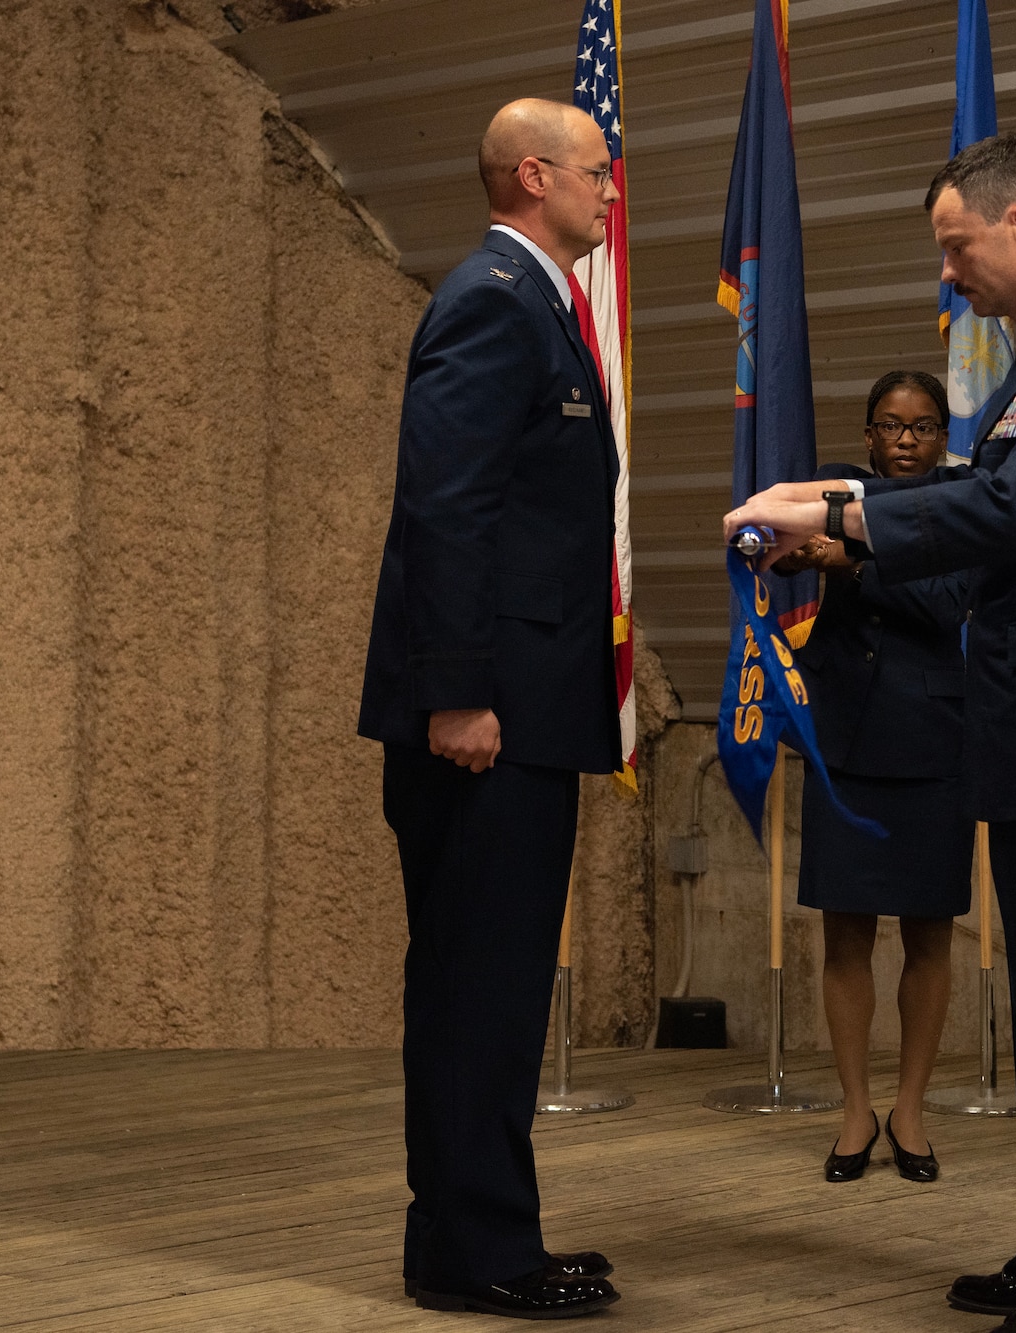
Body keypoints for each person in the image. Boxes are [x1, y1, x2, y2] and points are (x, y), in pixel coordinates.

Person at [724, 132, 1016, 1333]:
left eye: (955, 246)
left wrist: (837, 506)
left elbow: (1013, 503)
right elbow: (992, 507)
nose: (947, 276)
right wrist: (836, 527)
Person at [357, 97, 625, 1321]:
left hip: (525, 709)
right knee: (477, 984)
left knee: (500, 985)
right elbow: (444, 510)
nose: (610, 189)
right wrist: (456, 695)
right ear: (534, 176)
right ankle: (474, 1252)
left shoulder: (538, 307)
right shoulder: (489, 301)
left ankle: (482, 1234)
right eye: (596, 171)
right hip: (485, 719)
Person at [775, 370, 973, 1185]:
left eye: (922, 427)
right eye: (889, 426)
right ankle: (856, 1111)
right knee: (845, 933)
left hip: (934, 740)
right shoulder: (833, 493)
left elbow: (949, 602)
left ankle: (911, 1110)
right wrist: (781, 546)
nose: (904, 441)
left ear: (941, 439)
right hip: (845, 736)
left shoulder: (969, 503)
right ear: (866, 435)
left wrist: (854, 563)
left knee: (928, 936)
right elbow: (780, 540)